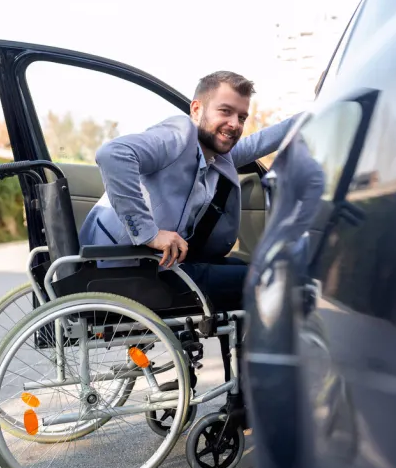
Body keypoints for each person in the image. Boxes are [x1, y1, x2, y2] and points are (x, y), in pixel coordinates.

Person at [79, 71, 298, 311]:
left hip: (155, 265)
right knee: (271, 281)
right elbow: (113, 155)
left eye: (242, 117)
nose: (235, 124)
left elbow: (257, 143)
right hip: (124, 272)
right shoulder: (178, 135)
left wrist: (315, 115)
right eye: (225, 111)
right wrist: (149, 234)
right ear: (196, 110)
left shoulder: (213, 154)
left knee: (250, 268)